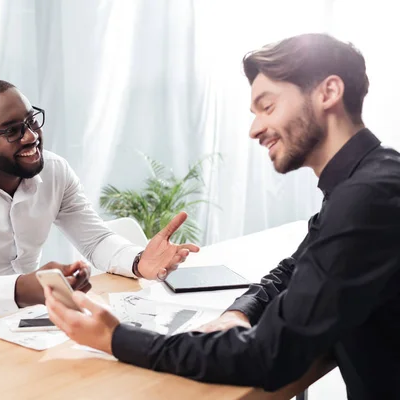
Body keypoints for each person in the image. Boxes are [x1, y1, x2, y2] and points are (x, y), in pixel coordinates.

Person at [44, 33, 400, 399]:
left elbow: (268, 355)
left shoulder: (368, 197)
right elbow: (294, 268)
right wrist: (240, 312)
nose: (254, 129)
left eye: (268, 106)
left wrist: (116, 339)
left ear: (328, 93)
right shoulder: (368, 180)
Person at [0, 79, 199, 322]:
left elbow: (95, 241)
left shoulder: (55, 171)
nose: (30, 137)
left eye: (31, 121)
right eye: (12, 131)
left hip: (28, 321)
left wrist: (137, 260)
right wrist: (19, 289)